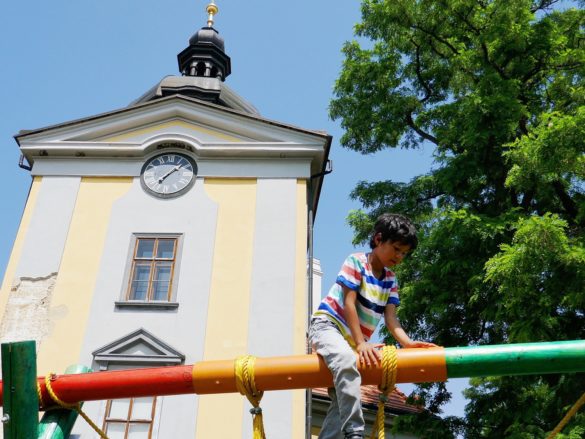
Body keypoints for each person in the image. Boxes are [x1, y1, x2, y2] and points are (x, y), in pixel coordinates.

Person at [309, 213, 436, 439]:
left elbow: (391, 319)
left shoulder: (390, 280)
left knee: (344, 393)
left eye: (404, 253)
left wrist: (407, 342)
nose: (399, 256)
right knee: (347, 363)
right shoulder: (356, 261)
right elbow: (348, 303)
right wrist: (360, 343)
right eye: (396, 248)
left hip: (351, 339)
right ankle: (355, 432)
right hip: (329, 326)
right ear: (378, 239)